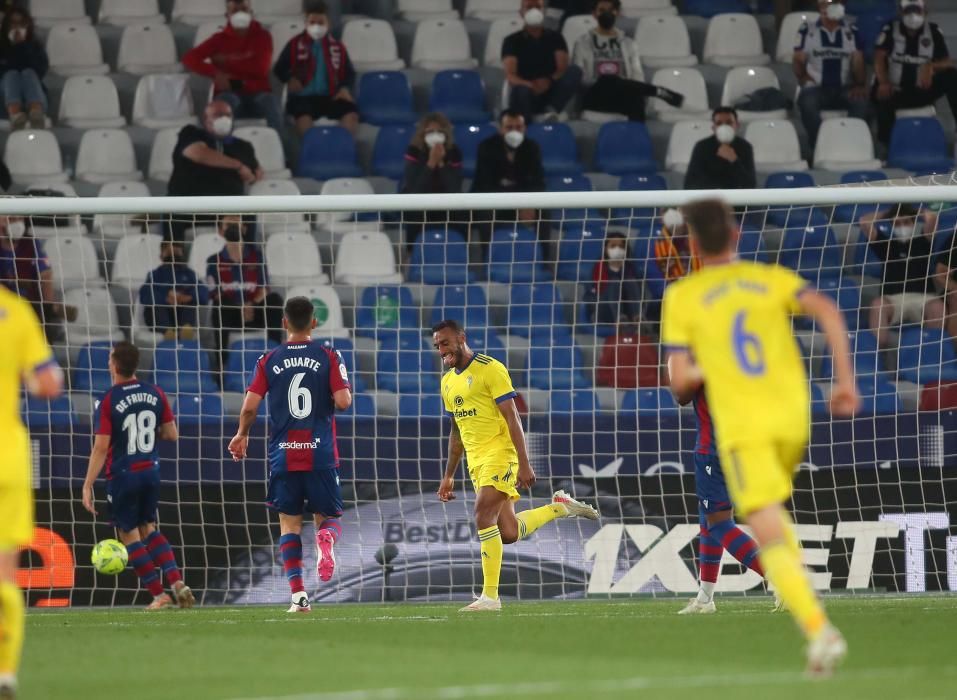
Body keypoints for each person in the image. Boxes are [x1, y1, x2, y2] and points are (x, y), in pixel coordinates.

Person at [663, 198, 859, 674]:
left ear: (690, 243)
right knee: (757, 514)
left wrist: (706, 364)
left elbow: (679, 385)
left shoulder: (683, 297)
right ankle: (722, 591)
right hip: (795, 415)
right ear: (736, 236)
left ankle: (817, 627)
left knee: (761, 522)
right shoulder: (769, 278)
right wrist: (846, 381)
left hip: (741, 428)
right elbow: (827, 310)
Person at [433, 319, 599, 611]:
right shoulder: (447, 381)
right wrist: (448, 475)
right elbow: (456, 431)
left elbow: (513, 417)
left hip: (500, 453)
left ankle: (490, 597)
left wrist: (524, 463)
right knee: (507, 532)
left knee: (483, 513)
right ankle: (560, 507)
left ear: (461, 338)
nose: (441, 350)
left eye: (445, 343)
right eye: (437, 346)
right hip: (475, 461)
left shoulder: (490, 368)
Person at [228, 296, 352, 613]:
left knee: (288, 524)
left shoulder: (268, 360)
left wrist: (242, 434)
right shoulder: (328, 355)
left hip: (283, 454)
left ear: (284, 323)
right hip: (320, 452)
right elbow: (343, 401)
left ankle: (298, 597)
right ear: (314, 322)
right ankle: (326, 539)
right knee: (331, 518)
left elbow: (250, 406)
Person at [80, 342, 194, 611]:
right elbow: (172, 435)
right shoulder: (155, 392)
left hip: (123, 475)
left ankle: (159, 595)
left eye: (110, 360)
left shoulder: (109, 399)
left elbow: (100, 446)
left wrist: (87, 485)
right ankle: (176, 582)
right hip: (151, 471)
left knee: (128, 534)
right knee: (149, 528)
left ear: (115, 365)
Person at [0, 286, 62, 699]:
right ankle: (4, 671)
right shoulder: (14, 310)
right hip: (8, 456)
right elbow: (49, 383)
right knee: (3, 572)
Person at [571, 0, 683, 121]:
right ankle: (658, 91)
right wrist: (605, 81)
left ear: (617, 13)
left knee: (636, 99)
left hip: (623, 95)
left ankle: (638, 135)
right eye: (602, 10)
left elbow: (637, 77)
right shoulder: (582, 43)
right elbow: (580, 78)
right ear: (594, 14)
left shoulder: (629, 43)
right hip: (595, 97)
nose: (606, 14)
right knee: (608, 79)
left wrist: (621, 84)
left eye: (610, 10)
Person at [166, 100, 262, 241]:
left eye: (228, 115)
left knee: (247, 211)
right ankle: (173, 260)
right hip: (189, 205)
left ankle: (247, 259)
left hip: (225, 207)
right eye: (218, 115)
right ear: (206, 120)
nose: (224, 119)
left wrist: (253, 176)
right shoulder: (191, 134)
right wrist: (237, 165)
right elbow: (197, 153)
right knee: (171, 211)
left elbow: (255, 174)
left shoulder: (243, 146)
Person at [182, 0, 282, 133]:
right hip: (230, 95)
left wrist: (227, 62)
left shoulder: (263, 36)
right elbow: (189, 58)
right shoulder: (218, 39)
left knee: (271, 102)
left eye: (244, 10)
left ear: (251, 13)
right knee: (223, 105)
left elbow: (260, 69)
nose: (240, 14)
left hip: (258, 94)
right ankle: (225, 149)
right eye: (235, 11)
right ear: (227, 15)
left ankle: (278, 147)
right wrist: (215, 72)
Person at [859, 203, 945, 348]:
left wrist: (909, 211)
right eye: (897, 223)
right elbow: (864, 222)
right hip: (894, 299)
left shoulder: (923, 241)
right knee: (877, 305)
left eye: (906, 222)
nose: (902, 226)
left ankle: (933, 352)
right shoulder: (885, 244)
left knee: (938, 306)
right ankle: (877, 355)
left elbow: (931, 217)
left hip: (923, 298)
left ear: (913, 223)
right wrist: (890, 213)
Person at [872, 0, 957, 145]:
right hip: (895, 91)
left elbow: (948, 62)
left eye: (917, 11)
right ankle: (887, 145)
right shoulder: (890, 29)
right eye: (908, 11)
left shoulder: (934, 31)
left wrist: (931, 66)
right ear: (900, 12)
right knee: (880, 92)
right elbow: (879, 56)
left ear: (925, 12)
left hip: (922, 90)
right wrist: (884, 81)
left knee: (952, 76)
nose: (912, 16)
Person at [206, 214, 284, 369]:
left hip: (255, 312)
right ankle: (223, 363)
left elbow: (264, 288)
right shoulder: (214, 261)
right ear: (221, 231)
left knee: (275, 299)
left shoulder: (257, 256)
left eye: (237, 223)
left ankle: (277, 358)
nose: (234, 227)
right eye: (229, 224)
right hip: (231, 315)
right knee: (220, 305)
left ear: (245, 228)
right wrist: (239, 307)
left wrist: (251, 305)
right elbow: (215, 292)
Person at [273, 0, 358, 136]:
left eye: (321, 22)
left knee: (351, 114)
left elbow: (349, 73)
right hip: (303, 98)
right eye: (312, 22)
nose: (316, 26)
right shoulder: (294, 44)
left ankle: (341, 149)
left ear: (328, 24)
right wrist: (289, 78)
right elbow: (279, 68)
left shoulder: (337, 47)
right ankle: (313, 151)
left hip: (330, 96)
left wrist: (344, 87)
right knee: (303, 119)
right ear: (306, 23)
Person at [793, 0, 870, 149]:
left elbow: (858, 61)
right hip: (816, 88)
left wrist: (860, 85)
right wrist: (803, 77)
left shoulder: (851, 31)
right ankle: (820, 146)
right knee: (807, 102)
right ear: (821, 6)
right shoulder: (806, 30)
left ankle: (851, 144)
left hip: (844, 87)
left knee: (861, 101)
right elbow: (798, 59)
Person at [471, 110, 547, 251]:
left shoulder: (532, 147)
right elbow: (484, 183)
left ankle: (543, 260)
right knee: (485, 213)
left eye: (518, 127)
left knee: (544, 212)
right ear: (501, 129)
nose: (514, 132)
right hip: (494, 201)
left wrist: (527, 204)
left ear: (524, 128)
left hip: (522, 200)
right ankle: (488, 260)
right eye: (509, 127)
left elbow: (537, 181)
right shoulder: (487, 147)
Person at [503, 0, 582, 121]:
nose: (534, 11)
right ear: (521, 12)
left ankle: (551, 110)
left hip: (551, 89)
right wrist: (530, 85)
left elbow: (562, 67)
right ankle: (526, 124)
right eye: (529, 7)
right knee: (522, 92)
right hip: (526, 90)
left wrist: (549, 81)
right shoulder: (512, 40)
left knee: (574, 71)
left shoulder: (556, 37)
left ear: (544, 11)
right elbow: (510, 74)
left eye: (538, 7)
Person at [0, 215, 74, 342]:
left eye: (21, 219)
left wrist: (48, 306)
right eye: (12, 219)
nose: (18, 224)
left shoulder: (31, 243)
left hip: (29, 308)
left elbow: (45, 273)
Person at [400, 112, 464, 248]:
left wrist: (440, 163)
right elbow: (415, 190)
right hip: (421, 202)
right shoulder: (413, 151)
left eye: (439, 131)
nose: (435, 135)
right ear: (423, 134)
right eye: (430, 131)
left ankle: (461, 254)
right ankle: (411, 254)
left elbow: (454, 188)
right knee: (414, 210)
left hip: (446, 202)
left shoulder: (454, 152)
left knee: (461, 212)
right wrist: (430, 163)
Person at [139, 241, 209, 341]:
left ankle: (186, 332)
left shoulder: (190, 274)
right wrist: (166, 299)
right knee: (157, 306)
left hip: (181, 315)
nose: (173, 256)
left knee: (190, 305)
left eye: (176, 252)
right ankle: (168, 333)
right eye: (169, 253)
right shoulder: (155, 274)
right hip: (161, 316)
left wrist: (188, 297)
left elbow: (203, 294)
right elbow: (145, 295)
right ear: (161, 256)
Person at [684, 107, 756, 191]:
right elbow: (690, 183)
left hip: (736, 199)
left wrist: (734, 160)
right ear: (713, 128)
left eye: (729, 123)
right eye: (719, 123)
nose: (724, 127)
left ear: (737, 125)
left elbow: (750, 185)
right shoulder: (702, 147)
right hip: (709, 199)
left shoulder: (745, 147)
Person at [0, 7, 46, 130]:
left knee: (28, 72)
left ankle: (35, 113)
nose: (17, 28)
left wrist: (23, 46)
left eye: (21, 24)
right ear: (6, 26)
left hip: (35, 97)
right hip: (4, 102)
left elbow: (40, 71)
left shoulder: (35, 47)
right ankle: (14, 114)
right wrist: (13, 48)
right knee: (11, 74)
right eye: (13, 24)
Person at [583, 232, 642, 325]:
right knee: (614, 282)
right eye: (613, 246)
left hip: (628, 313)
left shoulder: (631, 268)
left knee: (630, 281)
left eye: (621, 246)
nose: (617, 249)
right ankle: (620, 319)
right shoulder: (597, 268)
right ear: (606, 249)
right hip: (604, 310)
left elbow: (639, 293)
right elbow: (590, 295)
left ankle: (638, 318)